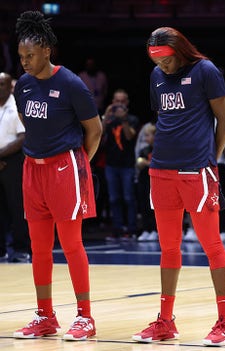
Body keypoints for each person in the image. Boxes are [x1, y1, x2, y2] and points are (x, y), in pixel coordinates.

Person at [132, 26, 225, 346]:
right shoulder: (156, 77)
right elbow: (164, 118)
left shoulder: (205, 71)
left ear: (179, 50)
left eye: (165, 59)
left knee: (211, 245)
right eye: (155, 60)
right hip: (161, 170)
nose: (161, 65)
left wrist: (211, 160)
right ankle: (165, 321)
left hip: (197, 171)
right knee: (168, 248)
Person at [12, 10, 103, 340]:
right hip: (32, 171)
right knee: (38, 248)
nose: (24, 62)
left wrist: (80, 165)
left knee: (71, 244)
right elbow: (28, 123)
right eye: (21, 56)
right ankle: (45, 315)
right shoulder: (22, 85)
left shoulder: (70, 84)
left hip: (65, 168)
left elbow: (95, 130)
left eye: (30, 55)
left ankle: (85, 317)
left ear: (47, 50)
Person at [0, 72, 31, 262]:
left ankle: (21, 249)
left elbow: (22, 137)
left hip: (12, 162)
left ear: (9, 86)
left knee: (16, 207)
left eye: (2, 84)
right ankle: (1, 249)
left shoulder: (18, 106)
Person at [101, 89, 139, 238]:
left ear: (127, 103)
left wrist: (123, 120)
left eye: (122, 101)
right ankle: (117, 229)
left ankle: (132, 229)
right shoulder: (109, 120)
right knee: (114, 198)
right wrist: (106, 114)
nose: (120, 104)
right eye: (117, 101)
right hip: (111, 164)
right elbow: (99, 133)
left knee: (129, 198)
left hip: (127, 165)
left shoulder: (132, 119)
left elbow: (129, 136)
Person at [136, 123, 157, 242]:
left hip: (154, 182)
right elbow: (138, 163)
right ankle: (146, 230)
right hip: (144, 181)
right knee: (143, 205)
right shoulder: (144, 150)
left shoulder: (160, 150)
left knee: (153, 207)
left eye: (148, 135)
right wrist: (140, 163)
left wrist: (147, 163)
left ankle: (154, 230)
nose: (145, 138)